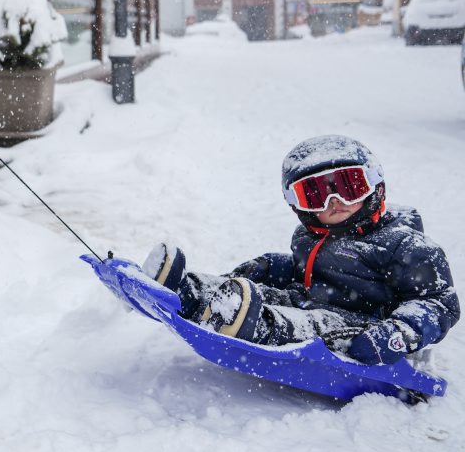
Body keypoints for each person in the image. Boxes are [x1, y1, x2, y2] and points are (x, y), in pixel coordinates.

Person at [142, 135, 459, 365]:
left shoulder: (407, 246)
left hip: (363, 325)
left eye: (348, 187)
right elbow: (302, 269)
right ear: (298, 205)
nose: (334, 202)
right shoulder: (310, 235)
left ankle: (257, 326)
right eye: (316, 194)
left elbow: (438, 304)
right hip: (306, 298)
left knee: (314, 324)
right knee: (267, 294)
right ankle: (187, 289)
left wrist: (398, 332)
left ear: (373, 186)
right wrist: (271, 267)